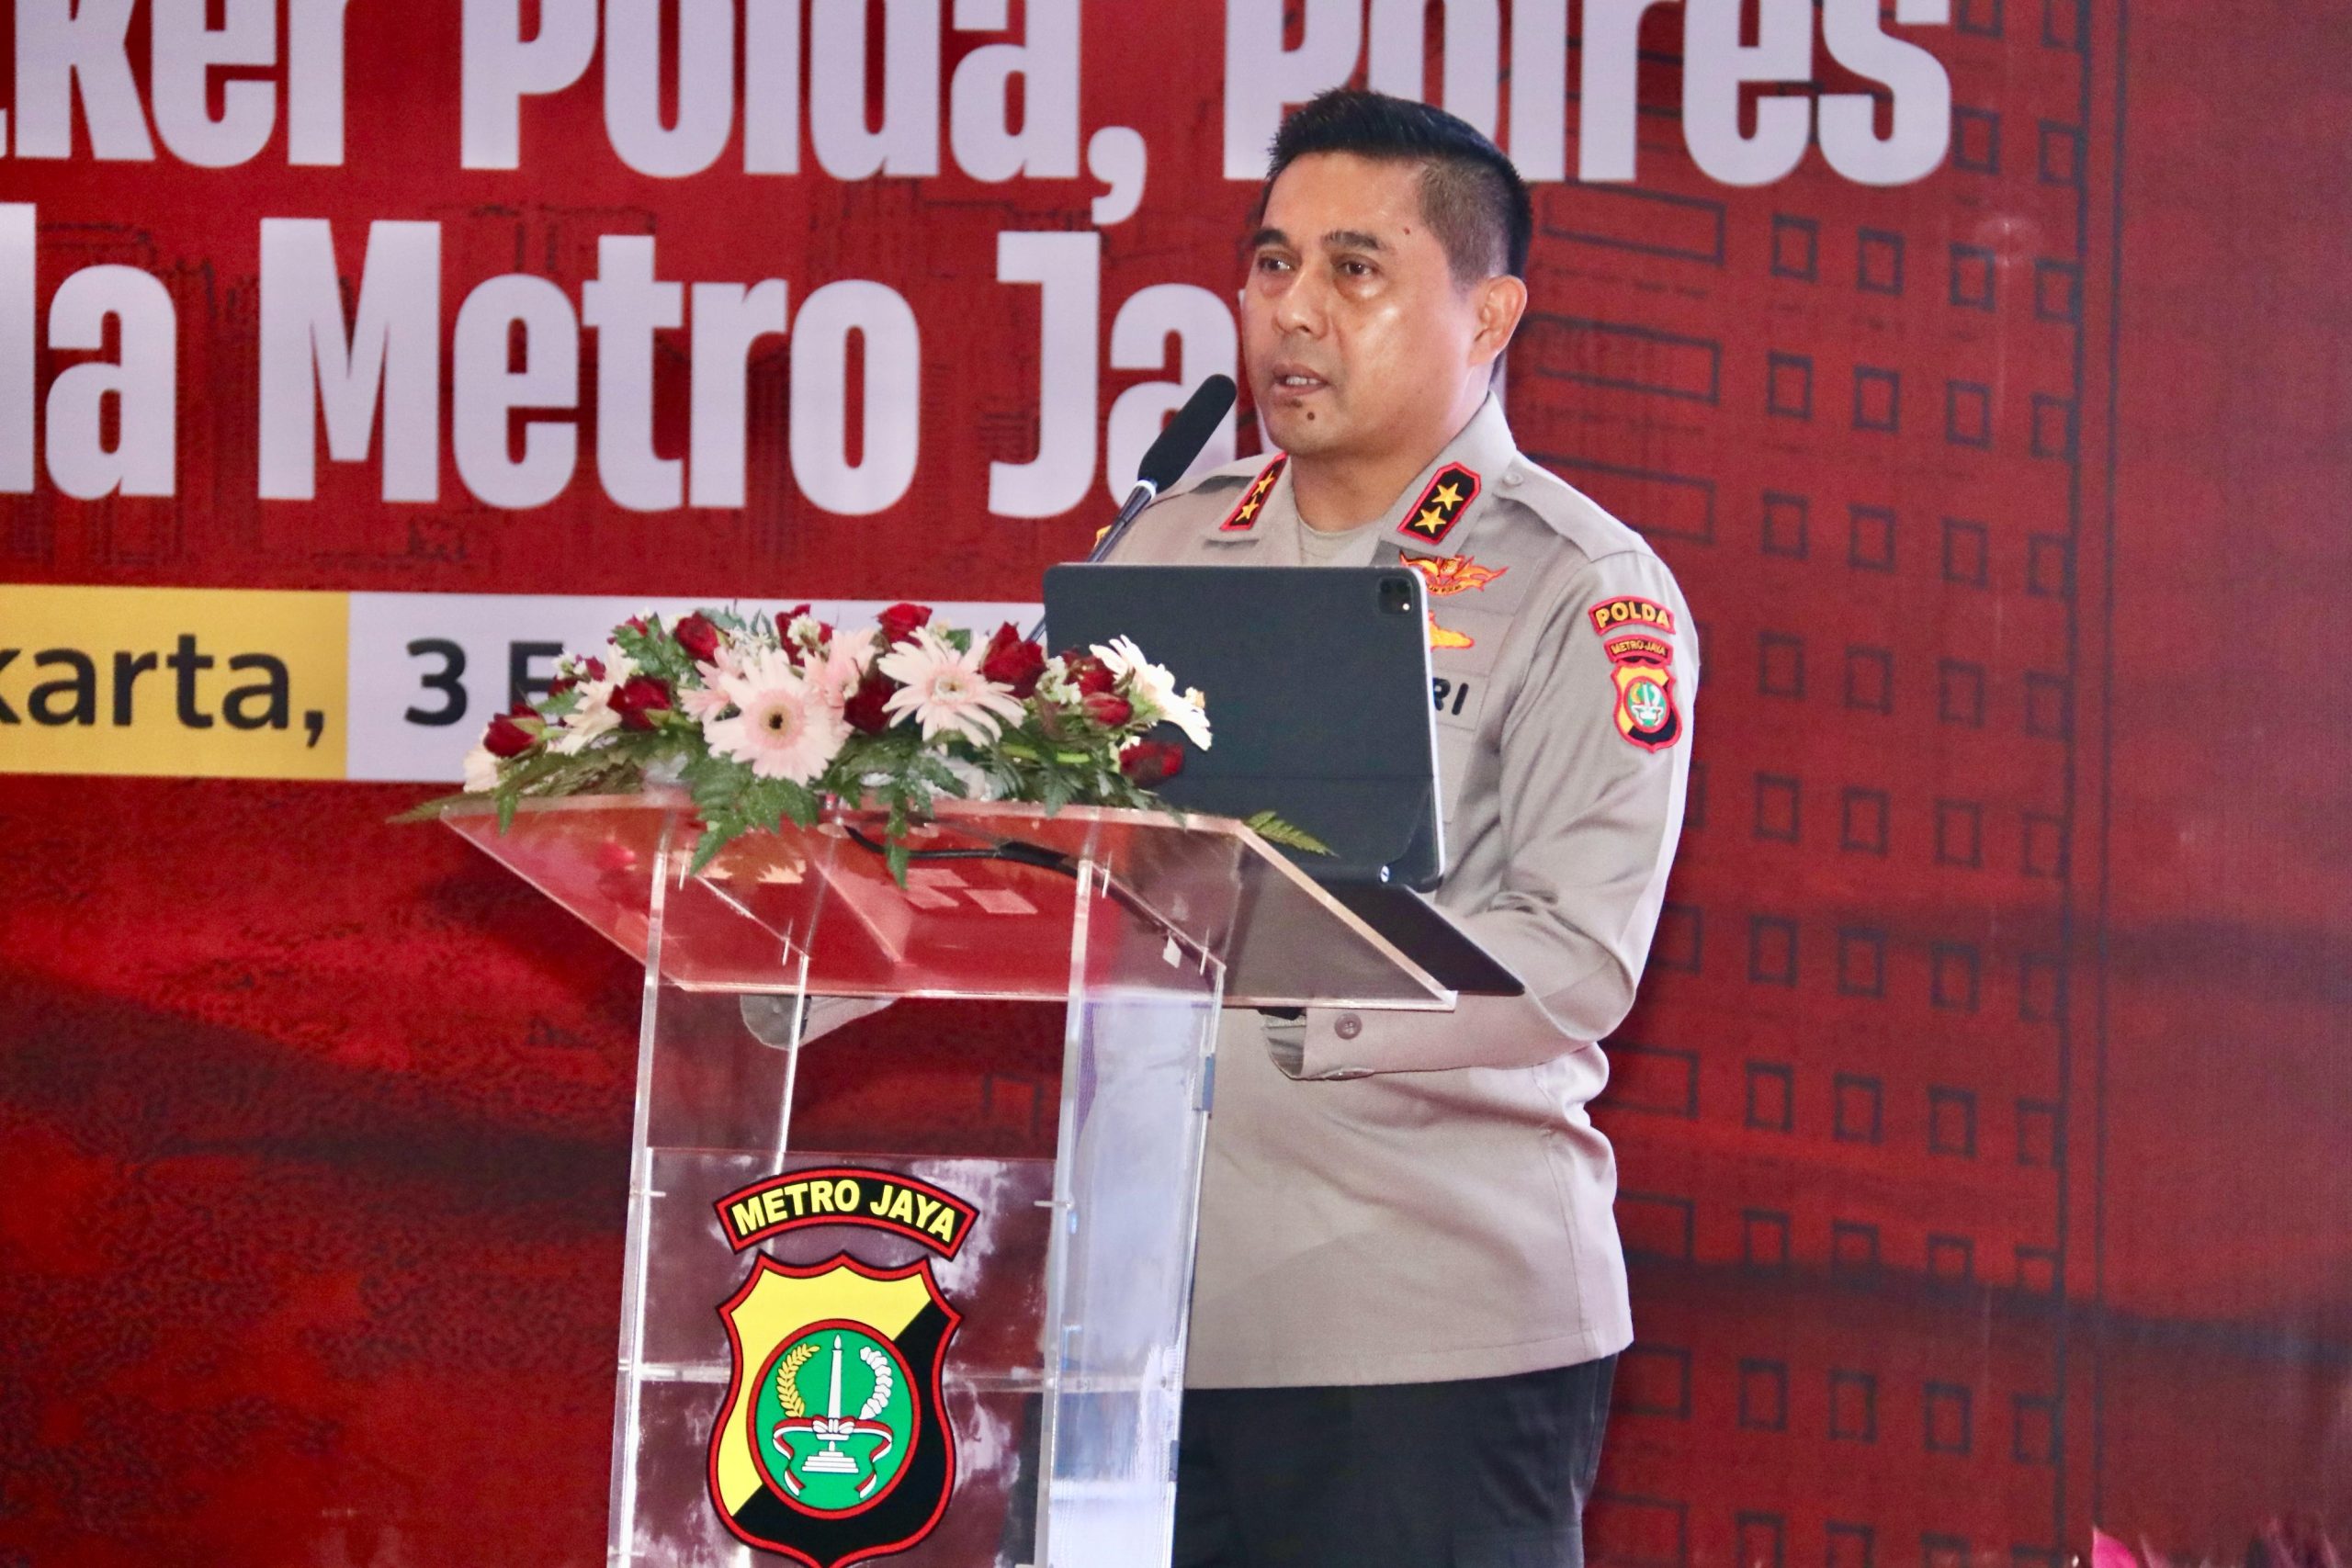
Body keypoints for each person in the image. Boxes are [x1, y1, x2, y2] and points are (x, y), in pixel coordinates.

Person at [1102, 89, 1697, 1568]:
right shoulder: (1161, 548)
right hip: (1143, 1327)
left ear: (1488, 315)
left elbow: (1577, 958)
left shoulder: (1579, 585)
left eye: (1355, 269)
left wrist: (1299, 982)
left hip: (1425, 1328)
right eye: (1272, 262)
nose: (1294, 310)